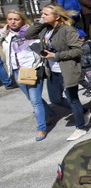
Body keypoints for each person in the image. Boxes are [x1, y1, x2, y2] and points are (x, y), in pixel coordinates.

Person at [26, 4, 89, 141]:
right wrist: (41, 23)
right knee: (55, 99)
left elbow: (78, 50)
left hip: (67, 70)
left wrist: (55, 56)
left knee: (73, 99)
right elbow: (28, 34)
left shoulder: (67, 30)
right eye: (42, 14)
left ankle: (81, 127)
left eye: (46, 14)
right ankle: (83, 111)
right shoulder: (45, 29)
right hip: (52, 70)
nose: (42, 16)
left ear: (57, 16)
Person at [1, 9, 56, 140]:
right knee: (32, 98)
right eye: (10, 19)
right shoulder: (6, 35)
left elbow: (41, 47)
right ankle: (51, 113)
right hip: (16, 70)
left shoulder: (30, 32)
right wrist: (3, 32)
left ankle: (41, 129)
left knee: (35, 101)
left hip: (32, 69)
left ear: (22, 20)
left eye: (16, 19)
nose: (13, 22)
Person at [76, 29, 91, 97]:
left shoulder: (89, 45)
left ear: (82, 38)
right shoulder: (75, 47)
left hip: (90, 66)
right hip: (80, 66)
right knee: (79, 79)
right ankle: (89, 88)